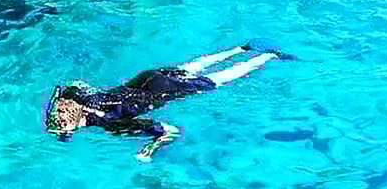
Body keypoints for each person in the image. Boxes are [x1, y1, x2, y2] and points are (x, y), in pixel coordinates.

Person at [44, 39, 296, 162]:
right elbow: (70, 86)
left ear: (71, 125)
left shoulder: (110, 124)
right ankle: (242, 48)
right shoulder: (75, 98)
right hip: (145, 78)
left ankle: (269, 56)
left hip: (162, 92)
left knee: (219, 79)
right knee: (193, 66)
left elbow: (168, 130)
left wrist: (149, 150)